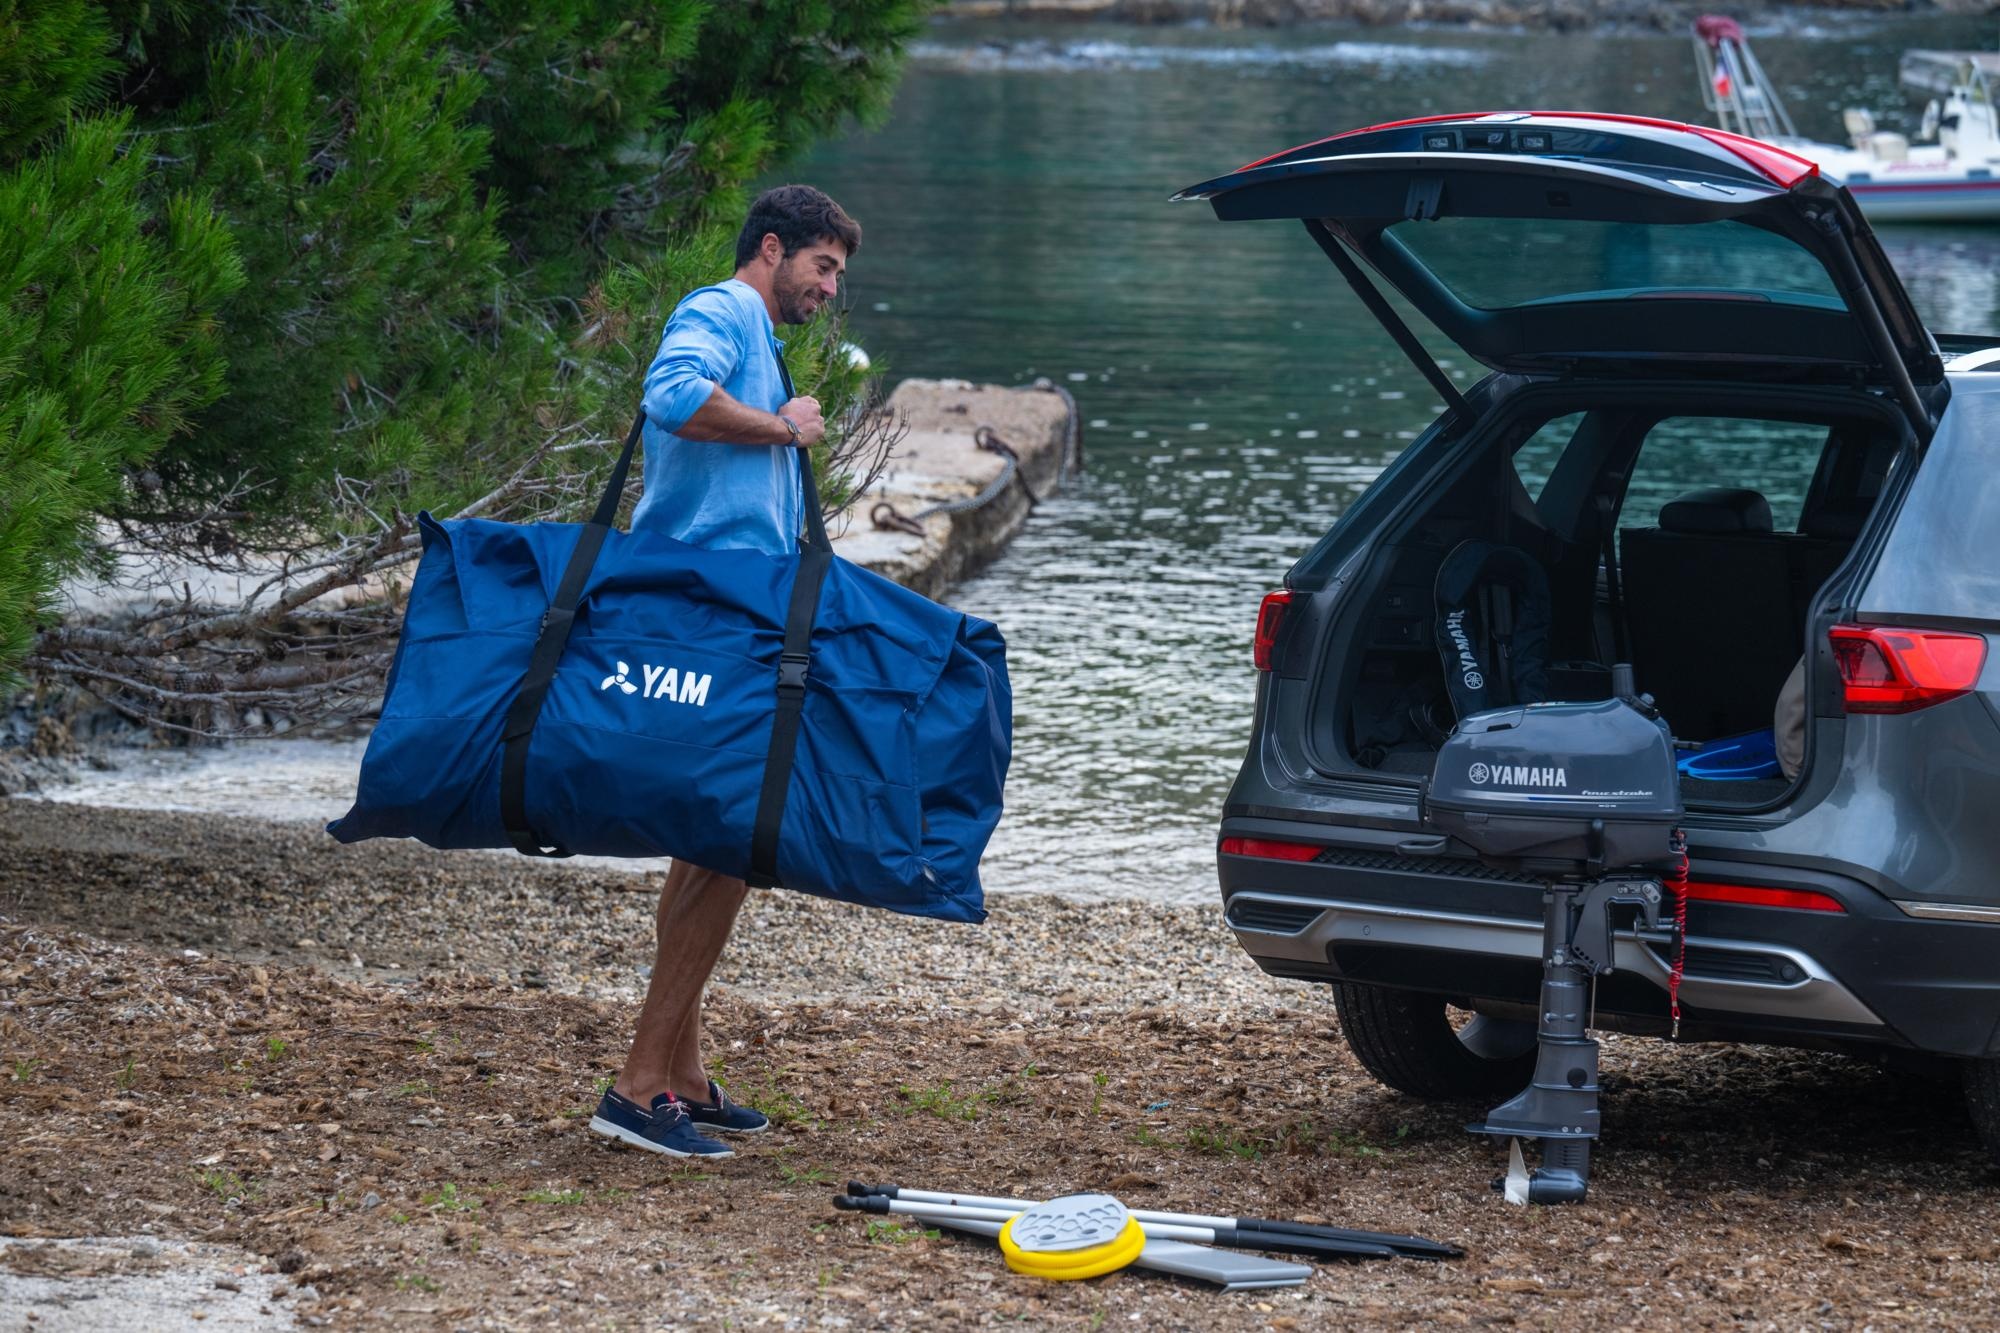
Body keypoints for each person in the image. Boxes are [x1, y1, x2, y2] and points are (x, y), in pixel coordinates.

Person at [587, 185, 860, 1161]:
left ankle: (682, 1072)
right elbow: (669, 396)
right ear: (772, 248)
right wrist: (785, 429)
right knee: (727, 838)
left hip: (724, 601)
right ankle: (633, 1085)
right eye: (821, 266)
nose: (829, 287)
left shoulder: (752, 327)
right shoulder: (723, 308)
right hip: (707, 605)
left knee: (706, 842)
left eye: (836, 273)